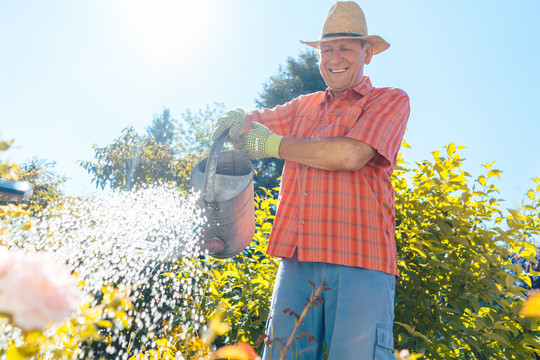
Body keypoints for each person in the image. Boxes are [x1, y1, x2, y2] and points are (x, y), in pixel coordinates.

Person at [212, 2, 409, 359]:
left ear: (367, 53)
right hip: (297, 260)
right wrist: (235, 117)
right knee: (284, 354)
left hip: (361, 261)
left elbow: (352, 154)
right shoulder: (303, 107)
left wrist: (274, 145)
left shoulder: (388, 100)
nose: (335, 57)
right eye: (326, 49)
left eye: (346, 47)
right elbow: (250, 125)